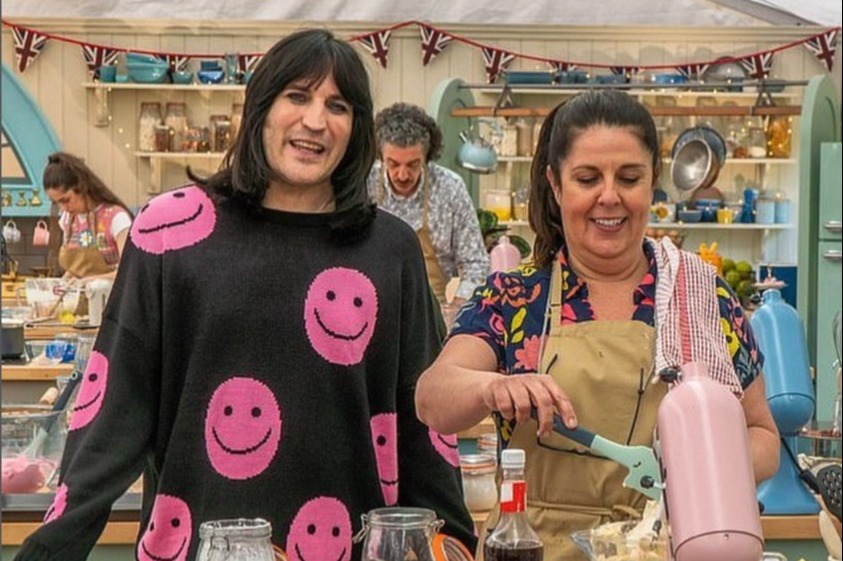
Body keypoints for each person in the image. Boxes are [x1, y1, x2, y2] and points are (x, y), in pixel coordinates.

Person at [16, 29, 475, 561]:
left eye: (338, 105)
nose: (315, 120)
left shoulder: (389, 250)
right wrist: (51, 549)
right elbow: (115, 406)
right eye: (297, 96)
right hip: (195, 547)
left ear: (356, 129)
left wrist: (454, 540)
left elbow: (421, 411)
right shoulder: (171, 231)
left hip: (346, 546)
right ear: (260, 106)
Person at [415, 90, 780, 561]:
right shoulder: (514, 297)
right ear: (555, 183)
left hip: (670, 545)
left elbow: (764, 437)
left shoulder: (703, 297)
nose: (610, 196)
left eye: (629, 177)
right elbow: (432, 397)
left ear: (652, 184)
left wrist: (698, 469)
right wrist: (491, 388)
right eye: (587, 178)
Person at [367, 102, 488, 312]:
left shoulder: (449, 188)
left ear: (427, 156)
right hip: (370, 309)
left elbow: (476, 264)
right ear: (380, 156)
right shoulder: (364, 184)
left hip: (433, 314)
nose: (402, 175)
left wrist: (455, 310)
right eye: (393, 164)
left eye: (413, 164)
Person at [42, 152, 133, 284]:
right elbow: (78, 269)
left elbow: (129, 271)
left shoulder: (116, 219)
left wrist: (87, 281)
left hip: (113, 300)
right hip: (80, 301)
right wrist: (65, 281)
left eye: (66, 200)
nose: (63, 208)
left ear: (81, 186)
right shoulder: (67, 221)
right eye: (57, 203)